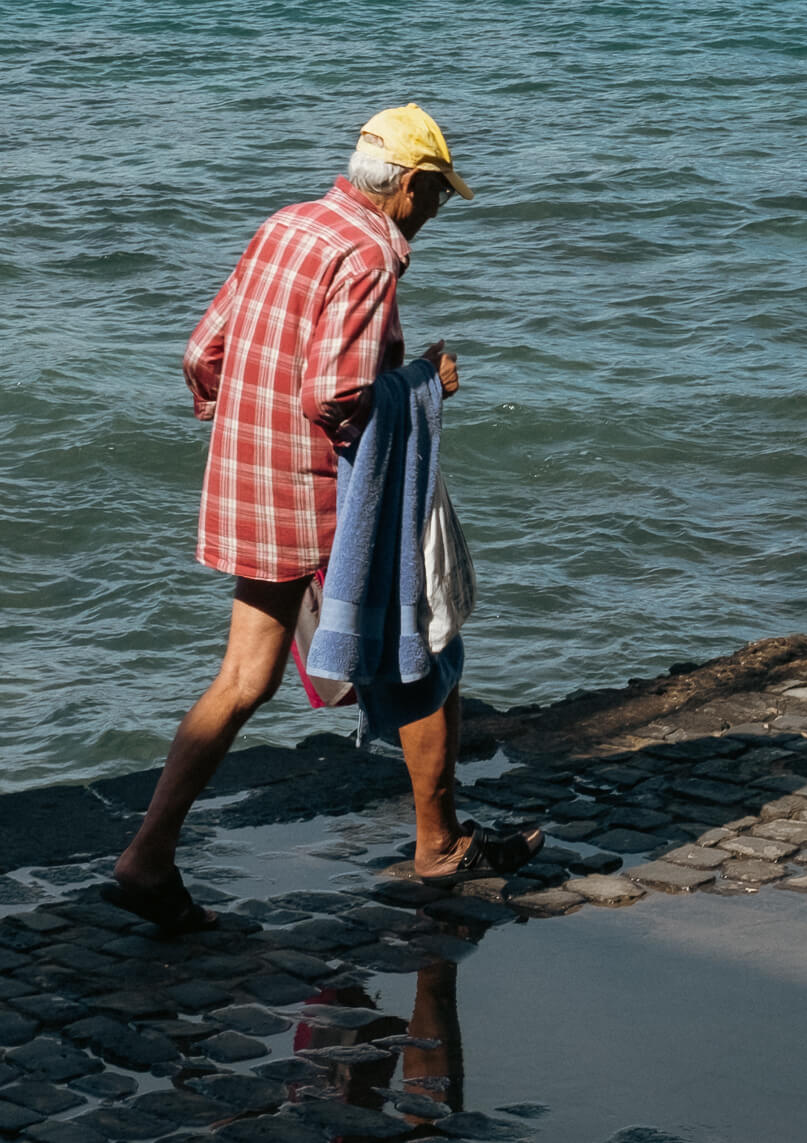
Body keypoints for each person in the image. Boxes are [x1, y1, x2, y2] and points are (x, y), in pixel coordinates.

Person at [106, 104, 542, 933]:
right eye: (437, 195)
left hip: (247, 480)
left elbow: (202, 353)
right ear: (407, 185)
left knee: (242, 679)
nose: (436, 212)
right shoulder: (373, 251)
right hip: (323, 495)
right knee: (422, 647)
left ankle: (146, 856)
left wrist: (242, 424)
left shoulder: (288, 224)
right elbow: (335, 393)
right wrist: (424, 382)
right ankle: (438, 844)